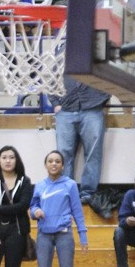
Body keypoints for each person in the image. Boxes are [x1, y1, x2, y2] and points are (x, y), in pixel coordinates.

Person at [29, 150, 88, 267]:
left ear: (62, 165)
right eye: (50, 161)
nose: (53, 164)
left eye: (57, 161)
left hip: (64, 234)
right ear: (46, 165)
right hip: (44, 235)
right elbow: (33, 207)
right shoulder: (39, 186)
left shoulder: (70, 185)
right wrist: (35, 212)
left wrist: (83, 237)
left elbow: (78, 211)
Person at [48, 76, 111, 204]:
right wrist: (55, 103)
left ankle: (88, 193)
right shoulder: (60, 57)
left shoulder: (96, 56)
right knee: (63, 154)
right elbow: (51, 78)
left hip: (93, 108)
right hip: (65, 109)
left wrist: (102, 101)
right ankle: (66, 192)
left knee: (93, 153)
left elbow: (108, 78)